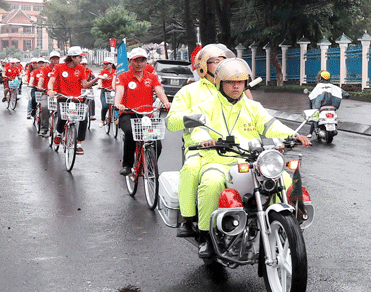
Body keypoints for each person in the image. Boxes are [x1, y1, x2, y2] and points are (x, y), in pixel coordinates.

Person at [190, 58, 311, 259]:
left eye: (240, 81)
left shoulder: (252, 107)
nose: (236, 86)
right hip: (218, 160)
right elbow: (198, 130)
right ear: (220, 83)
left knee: (286, 180)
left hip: (252, 160)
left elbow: (270, 125)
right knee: (211, 184)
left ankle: (289, 228)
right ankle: (206, 237)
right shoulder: (207, 106)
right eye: (230, 82)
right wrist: (206, 140)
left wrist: (292, 135)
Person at [166, 43, 234, 238]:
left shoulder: (234, 87)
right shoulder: (189, 92)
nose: (221, 65)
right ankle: (188, 219)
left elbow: (254, 114)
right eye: (215, 61)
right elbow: (171, 122)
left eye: (224, 60)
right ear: (203, 66)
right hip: (200, 147)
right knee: (191, 169)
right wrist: (195, 117)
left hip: (235, 147)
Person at [114, 47, 172, 176]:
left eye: (142, 60)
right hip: (128, 113)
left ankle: (150, 165)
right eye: (136, 60)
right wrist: (118, 104)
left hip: (147, 115)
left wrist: (166, 102)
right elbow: (119, 91)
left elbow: (159, 91)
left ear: (147, 62)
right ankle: (128, 165)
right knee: (130, 132)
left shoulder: (151, 77)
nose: (139, 63)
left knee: (157, 143)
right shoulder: (123, 76)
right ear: (130, 62)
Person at [47, 46, 95, 155]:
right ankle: (58, 134)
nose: (81, 59)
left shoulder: (81, 69)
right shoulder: (59, 67)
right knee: (63, 117)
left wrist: (97, 79)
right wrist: (50, 90)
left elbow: (85, 84)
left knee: (83, 119)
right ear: (72, 57)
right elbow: (51, 81)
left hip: (77, 98)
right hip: (62, 97)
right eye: (79, 57)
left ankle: (78, 144)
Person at [306, 70, 349, 135]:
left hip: (320, 108)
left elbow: (311, 96)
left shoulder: (318, 87)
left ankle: (312, 132)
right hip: (332, 108)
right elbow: (346, 94)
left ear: (320, 78)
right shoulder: (334, 87)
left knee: (314, 117)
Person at [36, 52, 59, 136]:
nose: (55, 60)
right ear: (50, 60)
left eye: (57, 58)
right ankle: (44, 128)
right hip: (46, 93)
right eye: (53, 58)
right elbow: (41, 80)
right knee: (45, 107)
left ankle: (61, 130)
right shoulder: (45, 69)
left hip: (58, 94)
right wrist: (40, 87)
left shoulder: (61, 69)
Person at [97, 57, 117, 126]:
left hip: (114, 92)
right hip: (104, 91)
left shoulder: (116, 71)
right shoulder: (103, 71)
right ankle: (102, 120)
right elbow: (99, 78)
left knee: (117, 105)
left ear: (111, 64)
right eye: (104, 64)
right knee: (105, 106)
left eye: (106, 64)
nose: (104, 65)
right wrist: (99, 85)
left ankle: (117, 119)